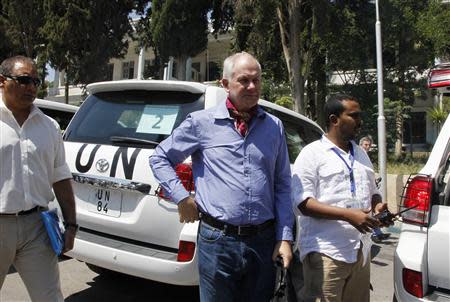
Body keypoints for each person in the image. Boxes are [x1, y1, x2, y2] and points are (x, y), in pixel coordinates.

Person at [150, 52, 293, 302]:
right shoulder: (201, 123)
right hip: (218, 242)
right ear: (225, 84)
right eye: (244, 80)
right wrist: (182, 197)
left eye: (257, 80)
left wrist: (284, 238)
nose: (252, 86)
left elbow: (282, 185)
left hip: (263, 241)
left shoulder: (274, 126)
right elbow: (160, 158)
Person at [291, 94, 391, 302]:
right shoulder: (311, 154)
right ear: (334, 120)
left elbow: (372, 192)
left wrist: (379, 207)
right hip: (326, 252)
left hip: (360, 251)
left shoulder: (361, 154)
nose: (360, 121)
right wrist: (348, 216)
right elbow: (302, 203)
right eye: (353, 116)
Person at [0, 56, 77, 301]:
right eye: (23, 80)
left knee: (50, 297)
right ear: (2, 81)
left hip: (37, 226)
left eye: (35, 81)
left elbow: (61, 177)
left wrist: (72, 224)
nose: (31, 87)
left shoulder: (49, 126)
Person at [359, 136, 391, 243]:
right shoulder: (356, 157)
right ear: (360, 145)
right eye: (365, 145)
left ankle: (377, 233)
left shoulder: (366, 157)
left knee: (375, 213)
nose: (367, 147)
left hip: (369, 191)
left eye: (369, 145)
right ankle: (375, 234)